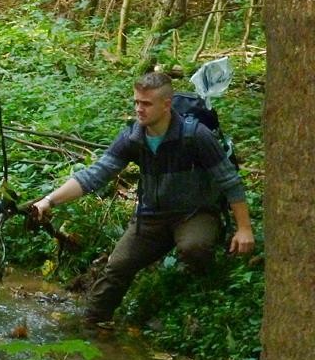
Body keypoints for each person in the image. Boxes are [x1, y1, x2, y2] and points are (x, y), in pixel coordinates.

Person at [33, 72, 255, 325]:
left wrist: (244, 228)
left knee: (194, 247)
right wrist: (48, 201)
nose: (139, 109)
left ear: (166, 104)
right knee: (117, 266)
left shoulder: (196, 135)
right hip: (151, 216)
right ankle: (92, 326)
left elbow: (229, 180)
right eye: (137, 102)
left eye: (146, 104)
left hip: (195, 212)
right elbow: (95, 175)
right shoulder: (133, 137)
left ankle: (199, 286)